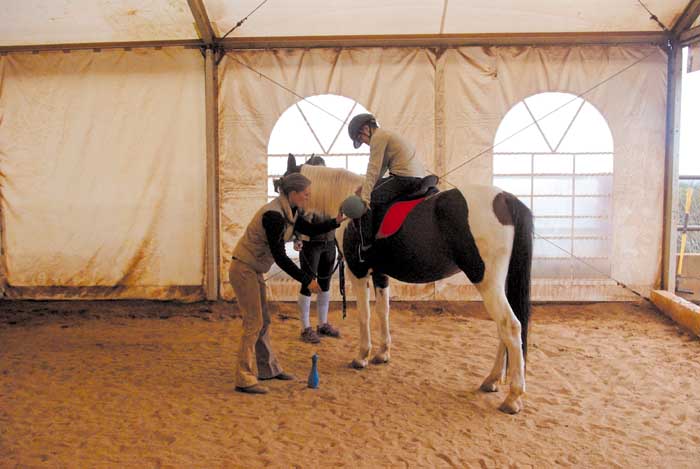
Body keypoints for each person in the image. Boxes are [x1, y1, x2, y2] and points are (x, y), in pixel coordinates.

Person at [230, 173, 345, 394]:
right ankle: (243, 377)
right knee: (254, 322)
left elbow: (309, 230)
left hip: (252, 269)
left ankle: (268, 369)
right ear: (293, 193)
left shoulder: (291, 211)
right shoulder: (273, 216)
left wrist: (335, 222)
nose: (307, 198)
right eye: (305, 194)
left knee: (263, 321)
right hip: (244, 269)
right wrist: (306, 279)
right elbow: (281, 257)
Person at [347, 113, 425, 247]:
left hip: (403, 178)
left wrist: (365, 196)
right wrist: (365, 186)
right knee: (370, 190)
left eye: (360, 137)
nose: (364, 142)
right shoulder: (386, 134)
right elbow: (381, 168)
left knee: (367, 199)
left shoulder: (378, 137)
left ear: (366, 129)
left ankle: (367, 246)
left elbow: (373, 169)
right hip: (418, 176)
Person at [294, 157, 340, 344]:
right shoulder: (306, 194)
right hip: (310, 244)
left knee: (325, 284)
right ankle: (305, 328)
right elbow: (298, 218)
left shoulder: (331, 194)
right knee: (307, 284)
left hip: (329, 243)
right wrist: (297, 237)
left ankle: (322, 324)